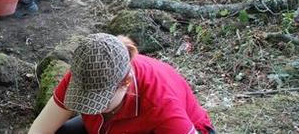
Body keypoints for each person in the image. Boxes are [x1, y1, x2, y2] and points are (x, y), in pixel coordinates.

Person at [29, 33, 214, 134]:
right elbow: (39, 130)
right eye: (83, 99)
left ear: (125, 83)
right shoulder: (85, 70)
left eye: (98, 101)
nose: (91, 110)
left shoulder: (161, 106)